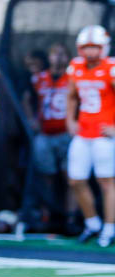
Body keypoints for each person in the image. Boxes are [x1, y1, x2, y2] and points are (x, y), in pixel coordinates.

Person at [66, 25, 115, 247]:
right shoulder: (76, 66)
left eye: (95, 47)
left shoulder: (111, 68)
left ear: (104, 48)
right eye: (86, 47)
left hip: (104, 134)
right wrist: (70, 120)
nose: (90, 52)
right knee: (76, 180)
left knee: (106, 181)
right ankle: (92, 222)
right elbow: (72, 96)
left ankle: (109, 228)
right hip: (84, 131)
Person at [18, 43, 71, 235]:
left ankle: (70, 215)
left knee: (70, 177)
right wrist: (31, 118)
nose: (57, 58)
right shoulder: (40, 78)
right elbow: (26, 98)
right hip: (45, 133)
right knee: (45, 176)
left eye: (61, 53)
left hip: (66, 132)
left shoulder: (72, 76)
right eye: (53, 53)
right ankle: (48, 214)